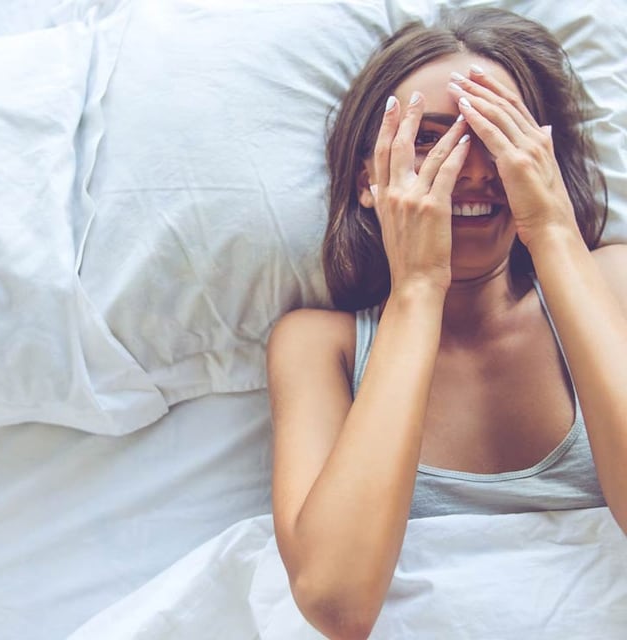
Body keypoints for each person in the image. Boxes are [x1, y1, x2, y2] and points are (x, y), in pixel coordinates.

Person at [266, 6, 627, 639]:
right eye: (431, 139)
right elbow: (337, 603)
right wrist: (417, 289)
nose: (475, 167)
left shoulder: (613, 282)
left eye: (497, 134)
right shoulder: (320, 347)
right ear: (367, 180)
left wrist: (551, 228)